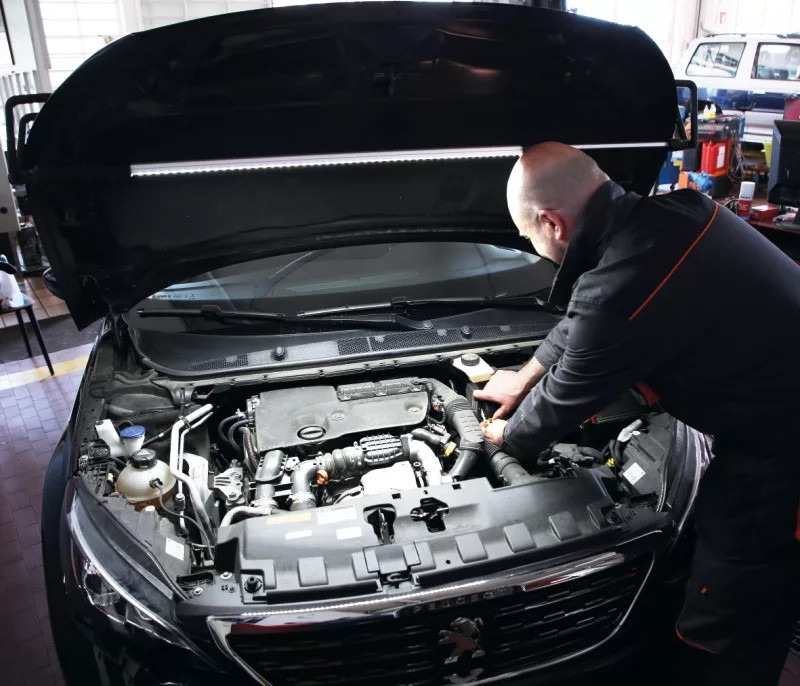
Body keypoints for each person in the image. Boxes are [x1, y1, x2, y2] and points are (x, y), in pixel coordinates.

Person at [474, 142, 800, 685]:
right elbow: (586, 316)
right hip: (772, 418)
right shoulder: (677, 213)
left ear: (551, 223)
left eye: (528, 236)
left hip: (783, 455)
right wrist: (523, 376)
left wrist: (504, 436)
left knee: (731, 605)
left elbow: (560, 403)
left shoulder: (623, 281)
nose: (534, 245)